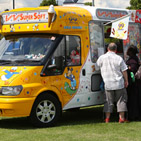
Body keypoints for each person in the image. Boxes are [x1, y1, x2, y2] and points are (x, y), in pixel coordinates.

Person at [96, 43, 128, 123]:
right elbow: (124, 70)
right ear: (116, 49)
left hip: (108, 83)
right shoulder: (119, 58)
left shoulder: (101, 58)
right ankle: (121, 118)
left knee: (108, 101)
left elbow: (96, 67)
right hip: (119, 83)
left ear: (107, 49)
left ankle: (107, 118)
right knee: (121, 100)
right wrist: (126, 80)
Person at [126, 45, 140, 121]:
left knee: (133, 100)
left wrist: (128, 68)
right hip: (135, 83)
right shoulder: (135, 59)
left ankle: (133, 115)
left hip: (133, 83)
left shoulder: (132, 60)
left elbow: (132, 70)